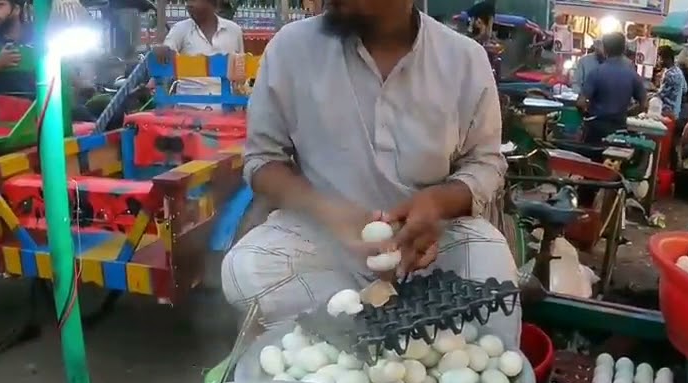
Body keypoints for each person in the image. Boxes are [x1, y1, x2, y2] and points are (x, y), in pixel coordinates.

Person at [223, 0, 519, 345]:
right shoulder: (291, 49)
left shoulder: (464, 60)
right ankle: (364, 337)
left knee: (492, 265)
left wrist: (437, 204)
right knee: (246, 269)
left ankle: (368, 337)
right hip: (325, 240)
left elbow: (485, 162)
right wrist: (329, 213)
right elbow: (262, 160)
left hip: (431, 244)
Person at [155, 0, 244, 102]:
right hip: (188, 106)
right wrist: (163, 49)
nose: (189, 5)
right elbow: (168, 49)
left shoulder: (234, 30)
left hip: (228, 106)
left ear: (212, 4)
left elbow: (241, 71)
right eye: (187, 1)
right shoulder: (180, 29)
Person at [577, 32, 647, 145]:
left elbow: (581, 103)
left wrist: (587, 115)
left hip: (596, 129)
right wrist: (626, 113)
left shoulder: (596, 73)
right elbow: (644, 105)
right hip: (620, 129)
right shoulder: (633, 75)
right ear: (624, 48)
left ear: (605, 49)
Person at [656, 45, 686, 119]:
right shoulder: (679, 71)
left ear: (667, 59)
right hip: (676, 112)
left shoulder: (670, 74)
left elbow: (660, 95)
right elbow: (685, 89)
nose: (658, 61)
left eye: (660, 58)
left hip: (667, 113)